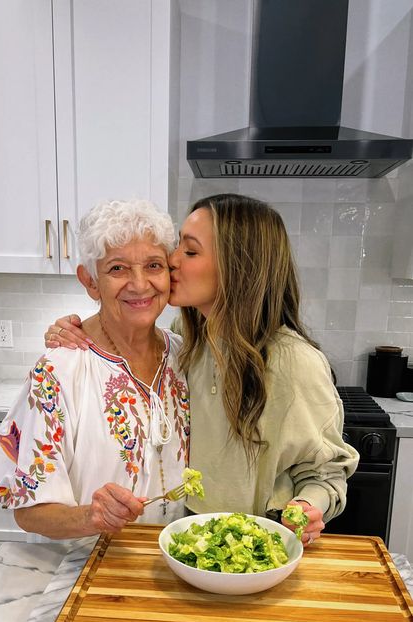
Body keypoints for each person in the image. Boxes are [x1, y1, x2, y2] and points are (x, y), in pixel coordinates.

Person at [44, 193, 359, 545]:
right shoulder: (185, 342)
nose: (171, 259)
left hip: (252, 553)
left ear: (238, 267)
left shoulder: (294, 361)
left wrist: (307, 506)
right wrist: (78, 330)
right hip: (185, 545)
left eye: (190, 252)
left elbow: (325, 472)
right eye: (178, 246)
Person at [0, 199, 190, 538]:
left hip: (177, 564)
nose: (140, 285)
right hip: (88, 572)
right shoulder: (57, 373)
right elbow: (29, 511)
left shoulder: (185, 357)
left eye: (154, 265)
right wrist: (91, 517)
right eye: (117, 269)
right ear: (90, 281)